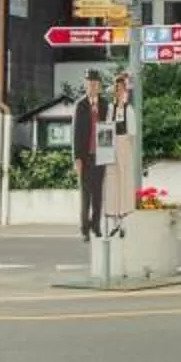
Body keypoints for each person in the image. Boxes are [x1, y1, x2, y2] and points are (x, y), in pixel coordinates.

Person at [71, 72, 109, 240]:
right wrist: (77, 158)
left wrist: (108, 154)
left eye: (95, 84)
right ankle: (84, 229)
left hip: (101, 155)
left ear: (99, 86)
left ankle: (96, 226)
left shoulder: (105, 104)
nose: (93, 87)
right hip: (85, 156)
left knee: (98, 194)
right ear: (86, 86)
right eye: (90, 84)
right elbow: (76, 132)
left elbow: (109, 128)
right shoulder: (80, 105)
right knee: (86, 195)